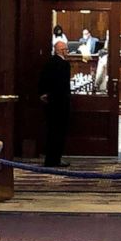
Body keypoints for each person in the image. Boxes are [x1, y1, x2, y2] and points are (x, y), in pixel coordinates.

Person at [38, 39, 72, 167]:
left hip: (50, 103)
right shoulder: (64, 65)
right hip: (61, 104)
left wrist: (44, 94)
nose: (67, 52)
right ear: (61, 51)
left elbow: (42, 81)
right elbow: (64, 86)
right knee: (59, 133)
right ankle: (56, 159)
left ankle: (50, 159)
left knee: (51, 132)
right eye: (66, 50)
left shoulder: (48, 63)